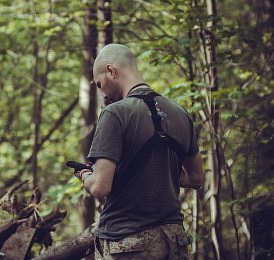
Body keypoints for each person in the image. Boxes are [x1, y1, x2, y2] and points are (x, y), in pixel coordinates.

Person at [77, 43, 204, 259]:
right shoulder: (180, 114)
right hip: (173, 240)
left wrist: (86, 175)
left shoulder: (115, 113)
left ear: (111, 70)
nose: (104, 95)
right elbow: (196, 178)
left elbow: (100, 187)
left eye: (100, 85)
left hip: (127, 241)